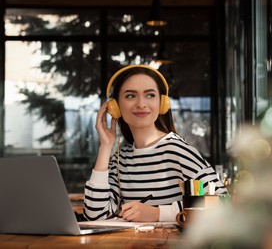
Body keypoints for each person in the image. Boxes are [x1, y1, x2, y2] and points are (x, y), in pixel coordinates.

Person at [83, 64, 227, 222]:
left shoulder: (177, 149)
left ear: (162, 104)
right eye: (130, 96)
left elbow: (222, 202)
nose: (141, 104)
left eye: (150, 95)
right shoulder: (120, 160)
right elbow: (95, 216)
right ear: (115, 107)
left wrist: (157, 213)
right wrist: (105, 146)